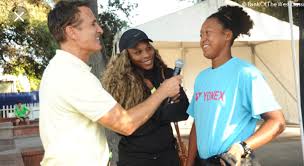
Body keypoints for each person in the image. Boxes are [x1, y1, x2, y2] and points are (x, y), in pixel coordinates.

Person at [39, 1, 182, 166]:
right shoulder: (70, 75)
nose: (100, 29)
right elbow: (125, 124)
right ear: (71, 32)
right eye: (93, 24)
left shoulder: (65, 69)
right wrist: (163, 92)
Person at [186, 5, 286, 166]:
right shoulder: (201, 78)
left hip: (234, 162)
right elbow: (198, 123)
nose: (202, 39)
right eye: (200, 35)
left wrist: (242, 148)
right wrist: (189, 162)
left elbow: (277, 122)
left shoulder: (245, 73)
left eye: (208, 33)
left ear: (227, 35)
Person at [102, 28, 189, 166]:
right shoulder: (119, 83)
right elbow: (128, 128)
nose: (146, 55)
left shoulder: (166, 74)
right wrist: (163, 106)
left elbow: (183, 112)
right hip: (135, 159)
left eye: (148, 48)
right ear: (126, 56)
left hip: (168, 156)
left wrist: (145, 113)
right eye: (138, 52)